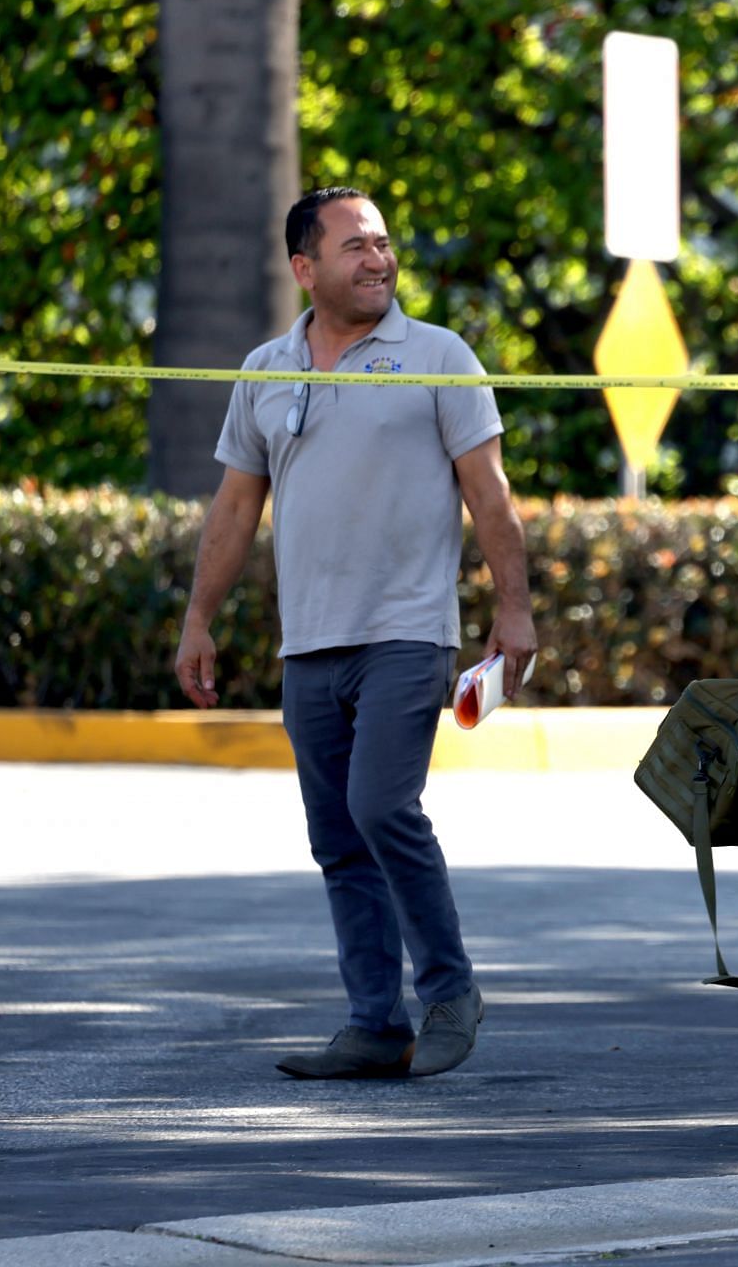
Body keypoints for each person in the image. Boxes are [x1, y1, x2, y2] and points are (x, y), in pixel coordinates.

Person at [175, 186, 538, 1079]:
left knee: (382, 808)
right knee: (338, 838)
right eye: (356, 247)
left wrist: (515, 608)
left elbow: (489, 495)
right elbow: (233, 508)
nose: (379, 259)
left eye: (384, 244)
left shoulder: (439, 356)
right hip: (310, 644)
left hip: (406, 634)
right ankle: (375, 1022)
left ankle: (450, 992)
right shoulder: (267, 368)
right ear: (305, 268)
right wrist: (198, 621)